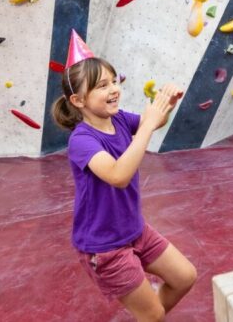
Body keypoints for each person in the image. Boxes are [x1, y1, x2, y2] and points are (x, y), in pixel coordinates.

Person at [52, 54, 197, 321]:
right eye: (102, 86)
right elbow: (118, 175)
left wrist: (166, 107)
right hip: (105, 245)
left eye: (114, 81)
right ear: (78, 101)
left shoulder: (118, 120)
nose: (113, 89)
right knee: (153, 315)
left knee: (185, 277)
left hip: (135, 229)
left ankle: (149, 313)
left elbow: (152, 122)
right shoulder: (81, 140)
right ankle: (150, 314)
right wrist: (150, 124)